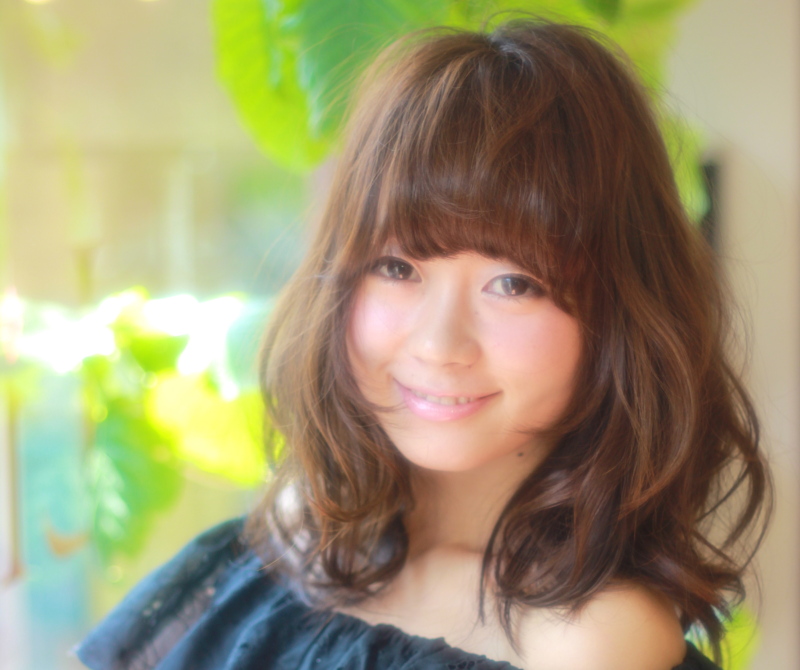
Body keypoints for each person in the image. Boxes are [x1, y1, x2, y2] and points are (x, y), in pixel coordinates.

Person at [76, 18, 771, 670]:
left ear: (619, 314)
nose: (440, 344)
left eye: (513, 283)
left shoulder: (586, 637)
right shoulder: (283, 544)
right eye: (397, 267)